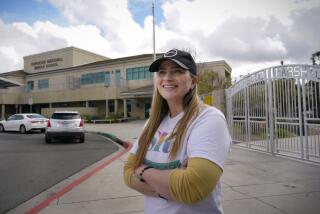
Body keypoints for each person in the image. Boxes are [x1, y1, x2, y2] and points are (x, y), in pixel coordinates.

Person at [123, 49, 231, 214]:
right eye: (162, 72)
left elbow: (192, 188)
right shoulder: (151, 124)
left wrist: (143, 170)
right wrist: (171, 184)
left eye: (178, 71)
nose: (167, 78)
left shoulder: (208, 119)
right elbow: (127, 173)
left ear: (193, 81)